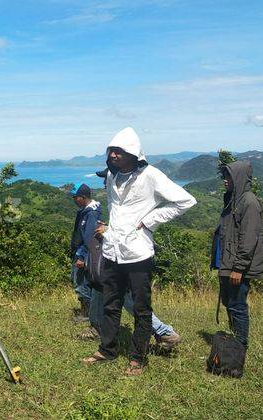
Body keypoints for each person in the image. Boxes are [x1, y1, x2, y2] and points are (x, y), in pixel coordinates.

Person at [82, 127, 196, 375]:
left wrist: (150, 220)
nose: (113, 155)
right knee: (111, 305)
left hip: (138, 253)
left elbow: (186, 200)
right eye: (111, 151)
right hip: (113, 250)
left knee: (142, 309)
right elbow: (118, 212)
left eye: (119, 151)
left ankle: (137, 359)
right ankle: (107, 350)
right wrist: (111, 229)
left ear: (134, 154)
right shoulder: (112, 177)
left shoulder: (151, 176)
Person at [76, 173, 183, 351]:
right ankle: (96, 327)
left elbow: (132, 228)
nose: (105, 182)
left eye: (107, 179)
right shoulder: (117, 198)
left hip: (128, 257)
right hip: (114, 256)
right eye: (105, 179)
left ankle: (164, 332)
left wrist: (108, 230)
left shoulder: (129, 198)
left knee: (125, 298)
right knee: (100, 289)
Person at [211, 161, 263, 350]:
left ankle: (239, 348)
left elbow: (249, 238)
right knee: (230, 302)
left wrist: (238, 268)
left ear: (239, 178)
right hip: (229, 263)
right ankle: (235, 341)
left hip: (237, 266)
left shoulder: (249, 202)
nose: (225, 181)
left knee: (237, 305)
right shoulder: (234, 200)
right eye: (224, 176)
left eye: (229, 177)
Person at [70, 184, 99, 323]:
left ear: (83, 197)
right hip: (79, 252)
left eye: (75, 197)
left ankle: (87, 313)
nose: (74, 200)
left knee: (81, 283)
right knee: (81, 282)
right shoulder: (84, 211)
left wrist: (82, 256)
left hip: (83, 254)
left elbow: (90, 239)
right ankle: (88, 311)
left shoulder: (91, 214)